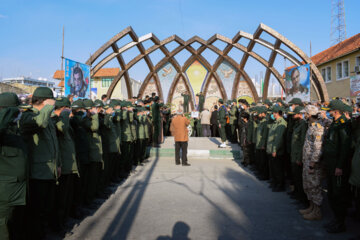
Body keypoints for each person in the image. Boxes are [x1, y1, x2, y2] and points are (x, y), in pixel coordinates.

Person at [20, 87, 60, 239]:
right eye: (51, 101)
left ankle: (42, 233)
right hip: (37, 171)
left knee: (46, 207)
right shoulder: (28, 116)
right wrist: (49, 106)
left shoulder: (46, 115)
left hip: (50, 169)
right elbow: (40, 124)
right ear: (44, 101)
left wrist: (58, 164)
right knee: (36, 209)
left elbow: (54, 142)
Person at [0, 92, 27, 240]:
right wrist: (9, 112)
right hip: (4, 195)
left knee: (14, 229)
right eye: (17, 110)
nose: (20, 113)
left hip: (17, 192)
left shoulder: (13, 129)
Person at [322, 100, 351, 233]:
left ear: (336, 111)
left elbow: (345, 148)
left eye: (331, 110)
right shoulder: (335, 123)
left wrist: (340, 166)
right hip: (330, 163)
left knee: (338, 194)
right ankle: (336, 219)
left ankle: (340, 223)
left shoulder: (343, 124)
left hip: (337, 166)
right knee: (332, 194)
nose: (329, 112)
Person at [299, 105, 324, 221]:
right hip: (307, 160)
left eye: (306, 113)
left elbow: (318, 148)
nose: (304, 115)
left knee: (314, 186)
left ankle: (317, 212)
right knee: (308, 185)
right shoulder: (311, 126)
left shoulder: (318, 128)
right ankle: (311, 207)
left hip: (312, 163)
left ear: (309, 114)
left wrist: (312, 163)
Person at [266, 105, 287, 192]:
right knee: (273, 168)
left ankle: (280, 185)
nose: (273, 114)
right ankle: (275, 182)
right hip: (271, 149)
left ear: (278, 113)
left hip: (277, 151)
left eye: (274, 113)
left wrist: (274, 150)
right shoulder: (275, 122)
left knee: (278, 169)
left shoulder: (281, 123)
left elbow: (278, 139)